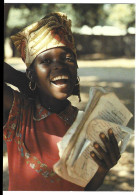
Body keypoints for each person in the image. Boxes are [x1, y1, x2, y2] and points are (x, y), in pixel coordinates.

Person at [3, 12, 121, 191]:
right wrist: (22, 81)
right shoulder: (18, 113)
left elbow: (83, 188)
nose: (59, 66)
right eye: (46, 61)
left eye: (68, 59)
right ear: (31, 73)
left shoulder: (85, 125)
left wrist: (102, 170)